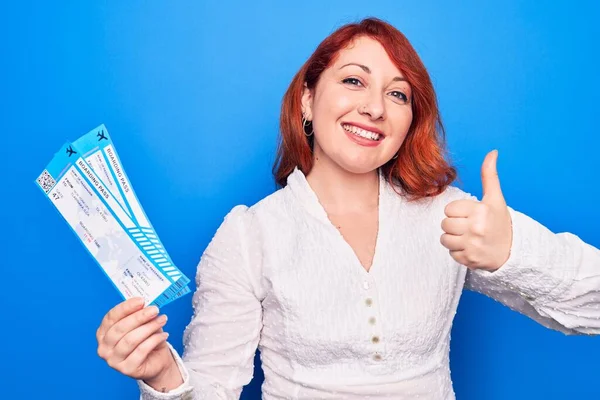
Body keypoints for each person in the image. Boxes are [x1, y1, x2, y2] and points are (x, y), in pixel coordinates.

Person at [95, 17, 600, 399]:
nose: (375, 107)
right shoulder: (251, 236)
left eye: (397, 94)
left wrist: (515, 250)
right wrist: (162, 373)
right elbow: (210, 388)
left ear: (408, 122)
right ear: (307, 102)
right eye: (354, 81)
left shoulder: (451, 217)